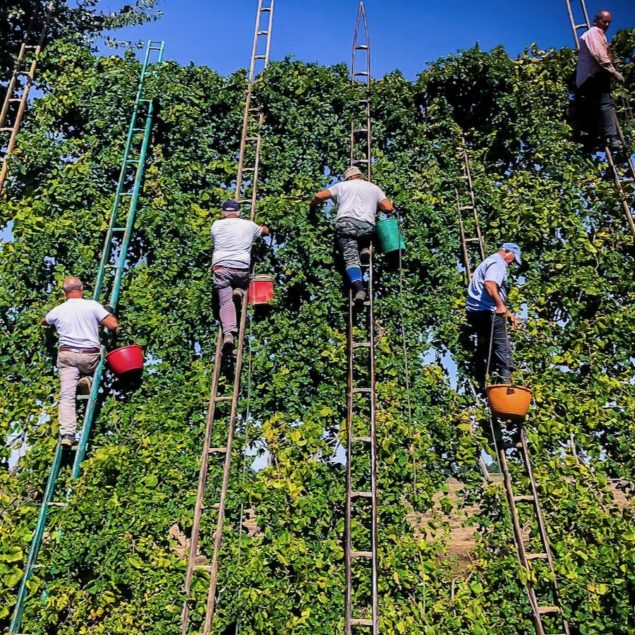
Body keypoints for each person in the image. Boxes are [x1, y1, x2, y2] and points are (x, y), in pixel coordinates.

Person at [41, 276, 118, 446]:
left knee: (67, 395)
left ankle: (68, 434)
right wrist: (105, 312)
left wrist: (49, 322)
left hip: (67, 356)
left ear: (63, 292)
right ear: (82, 288)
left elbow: (44, 321)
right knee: (91, 365)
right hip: (88, 356)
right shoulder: (91, 305)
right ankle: (87, 379)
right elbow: (112, 325)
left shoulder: (58, 310)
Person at [309, 166, 394, 306]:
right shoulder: (374, 188)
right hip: (366, 227)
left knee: (350, 259)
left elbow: (319, 196)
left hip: (346, 225)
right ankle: (365, 248)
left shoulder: (342, 186)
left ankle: (360, 289)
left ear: (348, 177)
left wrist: (312, 206)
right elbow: (388, 208)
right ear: (360, 176)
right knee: (366, 233)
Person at [211, 200, 269, 352]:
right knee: (242, 281)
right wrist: (264, 228)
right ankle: (239, 290)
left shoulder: (216, 225)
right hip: (241, 268)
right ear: (239, 212)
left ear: (223, 213)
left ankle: (228, 334)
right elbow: (265, 232)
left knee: (225, 301)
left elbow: (215, 242)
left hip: (221, 268)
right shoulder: (249, 225)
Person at [465, 244, 521, 387]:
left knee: (488, 346)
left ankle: (487, 378)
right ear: (506, 252)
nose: (512, 263)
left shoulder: (489, 261)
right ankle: (506, 386)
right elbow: (490, 284)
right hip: (488, 312)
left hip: (476, 312)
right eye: (513, 259)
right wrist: (500, 305)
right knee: (503, 348)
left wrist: (507, 313)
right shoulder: (498, 263)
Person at [576, 10, 625, 149]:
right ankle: (613, 138)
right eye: (605, 21)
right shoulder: (594, 32)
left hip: (587, 79)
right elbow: (600, 56)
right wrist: (614, 73)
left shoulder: (599, 35)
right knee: (606, 104)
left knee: (599, 106)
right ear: (595, 21)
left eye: (609, 22)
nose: (607, 24)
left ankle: (605, 136)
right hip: (593, 76)